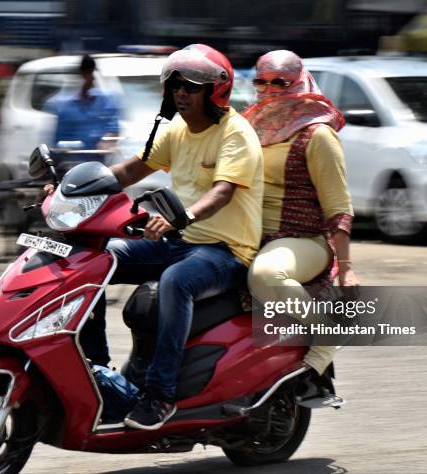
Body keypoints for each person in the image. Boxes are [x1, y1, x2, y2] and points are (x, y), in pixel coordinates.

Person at [89, 44, 264, 430]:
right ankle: (94, 368)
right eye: (174, 86)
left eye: (190, 86)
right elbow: (128, 171)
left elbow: (222, 192)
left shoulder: (236, 134)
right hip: (179, 241)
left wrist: (179, 218)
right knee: (96, 259)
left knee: (175, 282)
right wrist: (73, 188)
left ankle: (160, 394)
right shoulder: (177, 132)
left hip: (225, 250)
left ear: (215, 92)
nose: (180, 93)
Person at [243, 50, 359, 376]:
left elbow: (338, 208)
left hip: (302, 239)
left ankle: (327, 333)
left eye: (279, 82)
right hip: (248, 234)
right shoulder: (249, 126)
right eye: (261, 82)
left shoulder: (317, 133)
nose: (270, 89)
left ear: (298, 82)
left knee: (266, 276)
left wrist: (347, 269)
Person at [44, 54, 119, 151]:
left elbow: (113, 128)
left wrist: (107, 141)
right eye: (86, 75)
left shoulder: (105, 101)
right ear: (81, 76)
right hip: (71, 160)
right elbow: (58, 139)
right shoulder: (64, 106)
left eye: (91, 74)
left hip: (98, 159)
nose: (89, 79)